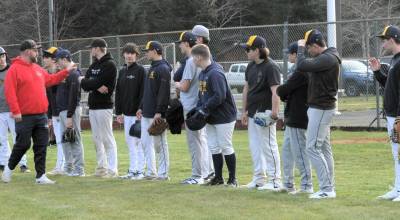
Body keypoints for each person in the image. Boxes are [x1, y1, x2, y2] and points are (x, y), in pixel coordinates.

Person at [1, 39, 76, 184]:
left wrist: (65, 72)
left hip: (41, 115)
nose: (38, 53)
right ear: (28, 51)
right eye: (36, 50)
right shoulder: (14, 69)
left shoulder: (37, 68)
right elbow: (10, 92)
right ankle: (9, 169)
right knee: (23, 144)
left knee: (41, 145)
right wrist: (16, 111)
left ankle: (40, 176)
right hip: (24, 116)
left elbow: (50, 80)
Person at [296, 29, 341, 199]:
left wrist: (300, 49)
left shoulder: (328, 57)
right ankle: (329, 186)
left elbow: (301, 65)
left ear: (315, 45)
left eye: (308, 48)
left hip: (321, 108)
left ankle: (327, 188)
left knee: (312, 147)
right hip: (322, 107)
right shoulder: (327, 56)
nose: (308, 51)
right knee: (323, 148)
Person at [192, 44, 238, 187]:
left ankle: (232, 179)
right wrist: (198, 109)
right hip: (211, 116)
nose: (192, 60)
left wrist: (204, 108)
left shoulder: (215, 73)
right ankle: (218, 178)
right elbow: (202, 95)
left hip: (224, 116)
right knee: (213, 146)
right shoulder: (203, 73)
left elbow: (220, 96)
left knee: (225, 146)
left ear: (199, 57)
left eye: (193, 57)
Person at [239, 35, 282, 191]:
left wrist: (274, 113)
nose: (246, 52)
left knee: (269, 146)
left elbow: (275, 91)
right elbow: (246, 88)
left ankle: (275, 180)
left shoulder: (271, 66)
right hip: (252, 113)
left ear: (257, 50)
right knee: (255, 146)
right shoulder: (250, 66)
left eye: (248, 49)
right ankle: (259, 179)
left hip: (265, 113)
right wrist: (244, 111)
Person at [277, 42, 313, 194]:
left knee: (299, 152)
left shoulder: (302, 70)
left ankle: (306, 186)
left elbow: (283, 89)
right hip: (292, 115)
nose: (289, 56)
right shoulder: (299, 69)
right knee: (287, 150)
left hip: (298, 116)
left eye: (290, 53)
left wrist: (284, 92)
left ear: (295, 54)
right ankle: (288, 184)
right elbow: (286, 91)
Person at [370, 25, 400, 202]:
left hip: (397, 115)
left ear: (392, 39)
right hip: (392, 115)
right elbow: (390, 86)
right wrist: (377, 72)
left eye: (384, 40)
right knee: (396, 154)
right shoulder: (396, 59)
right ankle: (397, 189)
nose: (382, 44)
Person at [175, 31, 209, 185]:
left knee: (194, 142)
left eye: (181, 43)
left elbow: (185, 85)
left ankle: (197, 175)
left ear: (187, 43)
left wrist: (176, 84)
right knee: (202, 141)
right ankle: (206, 173)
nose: (180, 45)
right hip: (200, 104)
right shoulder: (202, 58)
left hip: (191, 107)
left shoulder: (190, 61)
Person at [81, 38, 118, 178]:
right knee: (96, 138)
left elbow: (102, 84)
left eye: (92, 48)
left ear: (98, 48)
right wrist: (95, 84)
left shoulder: (110, 64)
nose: (91, 50)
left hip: (104, 106)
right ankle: (101, 167)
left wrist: (92, 83)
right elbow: (85, 84)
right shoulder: (94, 65)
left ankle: (112, 169)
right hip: (93, 105)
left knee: (107, 137)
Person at [136, 41, 171, 181]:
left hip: (157, 113)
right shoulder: (152, 67)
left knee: (160, 144)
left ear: (156, 51)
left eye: (148, 50)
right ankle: (151, 172)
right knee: (145, 143)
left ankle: (163, 174)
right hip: (147, 112)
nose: (146, 53)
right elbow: (148, 91)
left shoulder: (163, 68)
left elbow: (164, 92)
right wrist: (141, 106)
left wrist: (160, 112)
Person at [115, 43, 145, 180]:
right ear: (123, 55)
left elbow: (144, 92)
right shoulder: (122, 71)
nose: (129, 55)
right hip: (126, 114)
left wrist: (141, 108)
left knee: (138, 143)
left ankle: (140, 171)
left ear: (136, 55)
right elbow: (119, 93)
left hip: (137, 114)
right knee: (130, 142)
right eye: (127, 53)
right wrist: (118, 112)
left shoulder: (141, 71)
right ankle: (132, 170)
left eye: (132, 53)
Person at [0, 46, 31, 174]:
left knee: (18, 138)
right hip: (0, 111)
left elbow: (20, 89)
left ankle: (23, 164)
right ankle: (3, 162)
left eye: (2, 56)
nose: (1, 59)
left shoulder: (12, 70)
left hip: (13, 110)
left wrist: (18, 108)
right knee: (1, 139)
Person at [55, 48, 85, 177]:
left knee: (75, 139)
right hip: (63, 110)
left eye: (58, 60)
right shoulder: (64, 73)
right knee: (65, 140)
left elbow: (73, 96)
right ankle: (68, 168)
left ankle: (79, 170)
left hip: (70, 111)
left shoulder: (73, 73)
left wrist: (69, 116)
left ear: (65, 59)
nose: (57, 63)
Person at [42, 46, 65, 175]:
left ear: (55, 60)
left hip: (63, 111)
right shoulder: (48, 74)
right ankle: (62, 166)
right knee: (61, 140)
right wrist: (49, 115)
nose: (45, 59)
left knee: (64, 140)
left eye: (48, 57)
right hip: (55, 113)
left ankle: (61, 167)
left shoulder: (60, 74)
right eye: (45, 56)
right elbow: (49, 97)